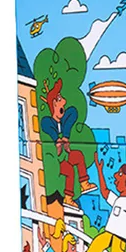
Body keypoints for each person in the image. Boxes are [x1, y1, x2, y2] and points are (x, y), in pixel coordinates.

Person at [40, 79, 97, 209]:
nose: (64, 101)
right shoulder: (49, 122)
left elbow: (73, 112)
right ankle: (68, 197)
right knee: (69, 171)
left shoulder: (64, 120)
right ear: (54, 104)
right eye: (60, 99)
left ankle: (84, 184)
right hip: (55, 161)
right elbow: (45, 124)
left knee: (78, 155)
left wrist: (65, 137)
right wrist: (56, 140)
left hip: (65, 155)